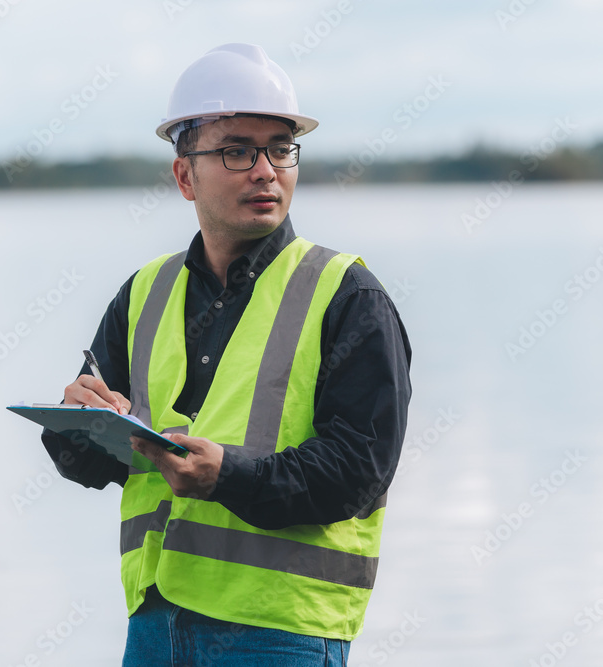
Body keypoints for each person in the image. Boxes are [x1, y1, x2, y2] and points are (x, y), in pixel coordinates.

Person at [40, 43, 412, 666]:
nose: (265, 170)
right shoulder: (143, 295)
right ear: (185, 174)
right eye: (237, 150)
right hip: (153, 626)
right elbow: (88, 461)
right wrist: (77, 423)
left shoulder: (348, 296)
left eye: (280, 148)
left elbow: (359, 471)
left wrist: (227, 477)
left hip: (282, 633)